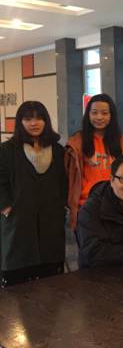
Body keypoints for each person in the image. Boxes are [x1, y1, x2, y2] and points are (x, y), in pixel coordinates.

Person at [0, 101, 67, 286]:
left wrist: (61, 206)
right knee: (18, 276)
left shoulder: (58, 150)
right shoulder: (7, 150)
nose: (33, 123)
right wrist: (5, 207)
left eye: (39, 118)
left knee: (51, 277)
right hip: (18, 218)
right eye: (28, 119)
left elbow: (63, 181)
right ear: (20, 122)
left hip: (50, 217)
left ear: (46, 121)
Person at [65, 94, 123, 229]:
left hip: (117, 204)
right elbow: (70, 176)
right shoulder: (77, 142)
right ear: (88, 115)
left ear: (111, 115)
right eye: (94, 113)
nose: (99, 117)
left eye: (104, 113)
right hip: (86, 205)